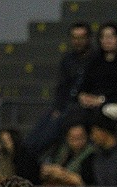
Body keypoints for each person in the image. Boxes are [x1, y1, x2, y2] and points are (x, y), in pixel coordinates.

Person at [24, 22, 94, 156]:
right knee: (34, 135)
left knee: (49, 133)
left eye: (81, 38)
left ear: (89, 38)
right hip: (63, 105)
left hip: (81, 109)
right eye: (75, 38)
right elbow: (62, 87)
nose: (78, 42)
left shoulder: (96, 59)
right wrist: (58, 107)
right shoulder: (68, 59)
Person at [76, 23, 117, 119]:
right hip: (92, 103)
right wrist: (83, 95)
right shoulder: (94, 61)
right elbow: (85, 82)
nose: (107, 40)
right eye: (103, 37)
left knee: (100, 115)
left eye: (110, 37)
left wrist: (102, 99)